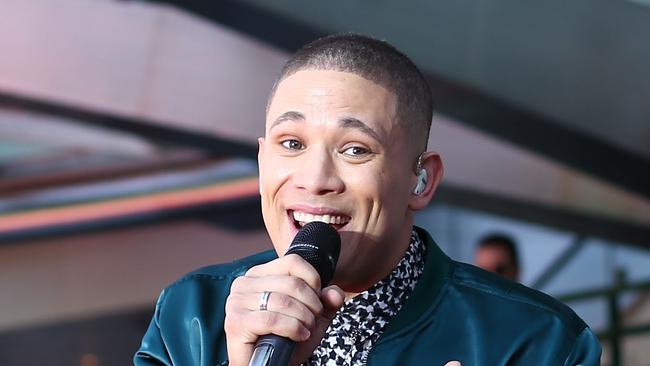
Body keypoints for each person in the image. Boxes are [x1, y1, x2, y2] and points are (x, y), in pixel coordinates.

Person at [134, 34, 601, 365]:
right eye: (291, 144)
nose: (315, 180)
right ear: (261, 163)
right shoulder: (191, 316)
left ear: (421, 180)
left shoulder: (536, 341)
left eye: (355, 149)